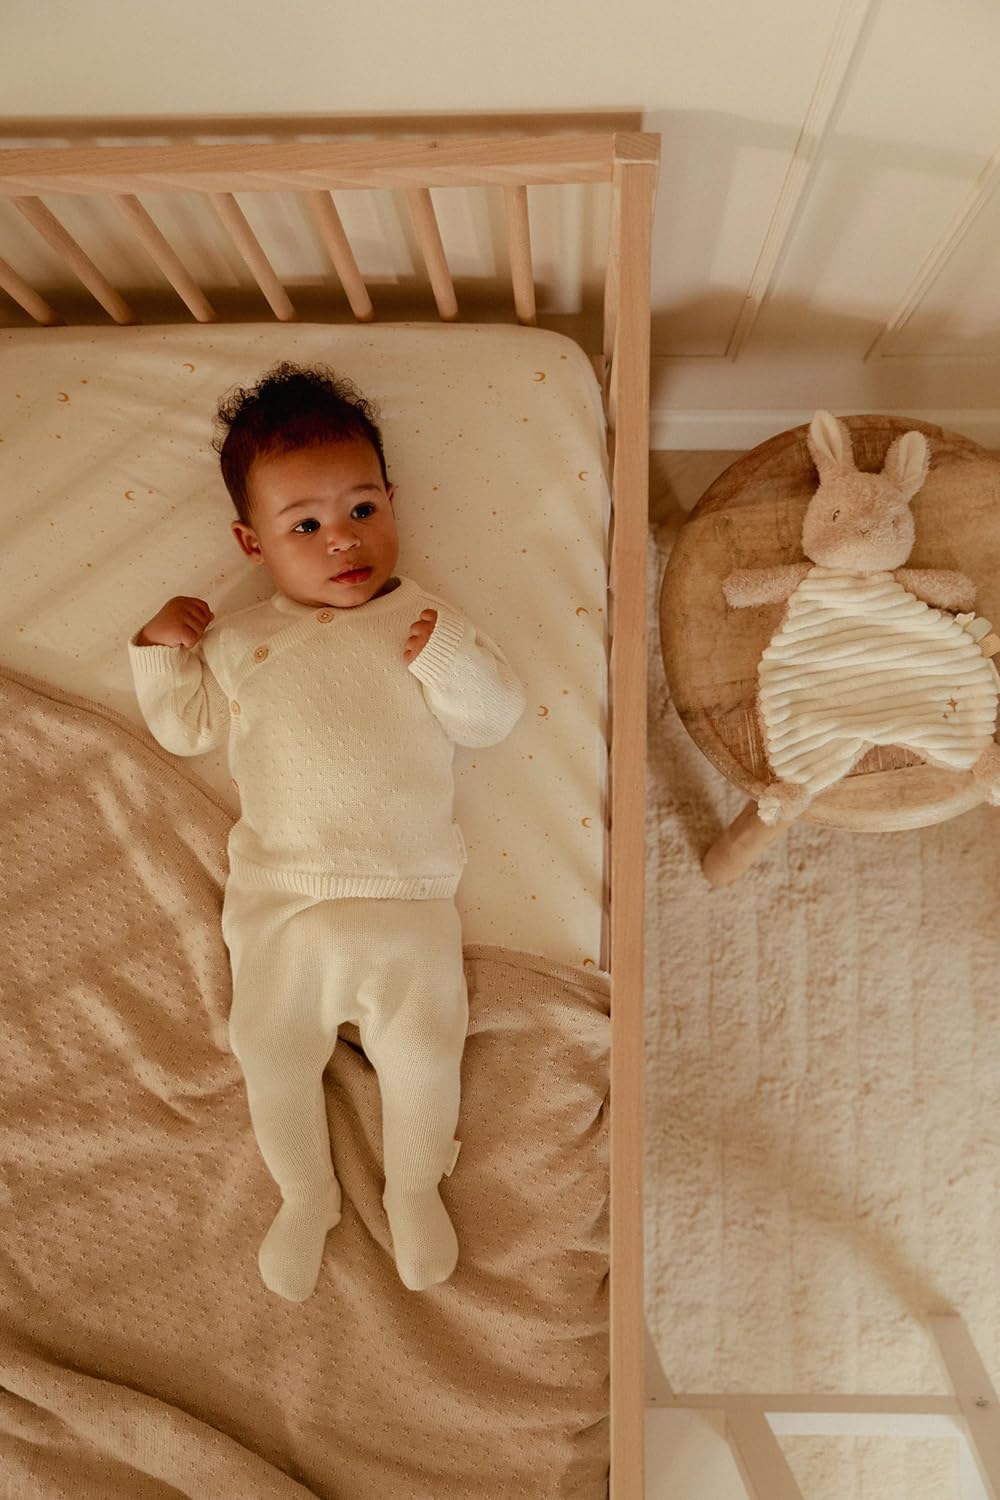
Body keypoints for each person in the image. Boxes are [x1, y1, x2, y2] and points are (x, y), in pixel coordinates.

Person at [127, 363, 526, 1302]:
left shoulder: (424, 623)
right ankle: (306, 1194)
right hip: (284, 904)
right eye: (304, 526)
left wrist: (449, 660)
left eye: (362, 510)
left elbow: (493, 718)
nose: (343, 539)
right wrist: (160, 650)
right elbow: (185, 730)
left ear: (392, 501)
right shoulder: (239, 641)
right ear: (252, 542)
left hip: (407, 898)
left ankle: (415, 1186)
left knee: (425, 1053)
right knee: (271, 1053)